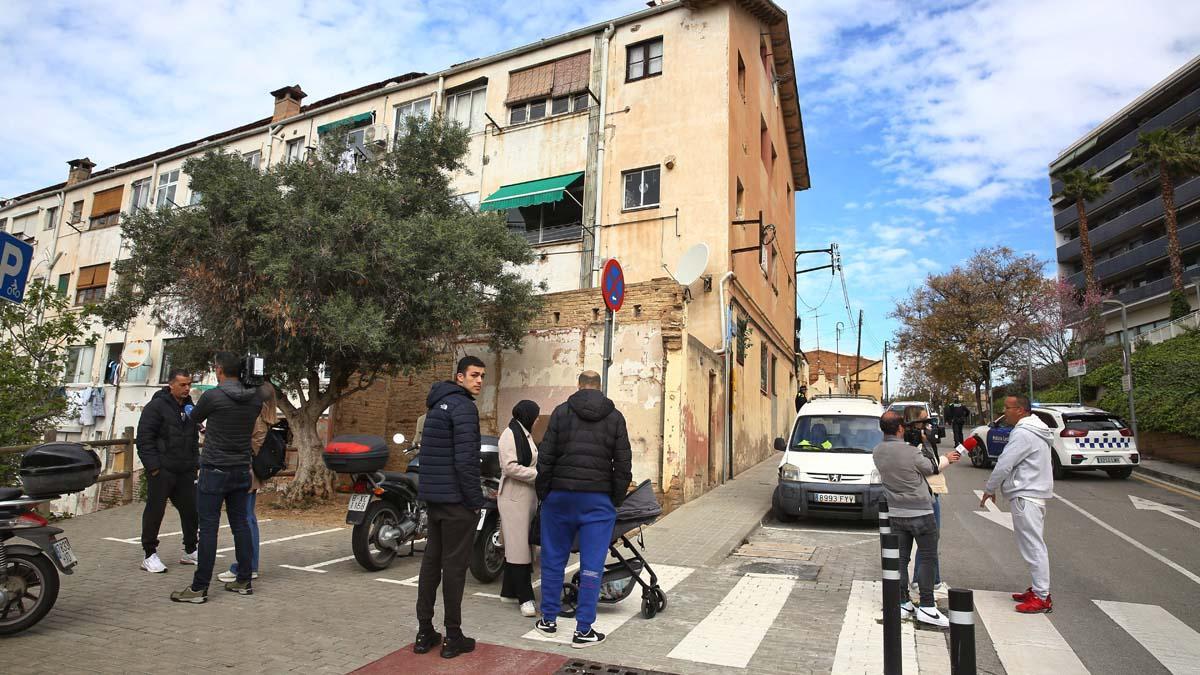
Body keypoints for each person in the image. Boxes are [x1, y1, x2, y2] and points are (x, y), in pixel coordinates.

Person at [534, 371, 633, 649]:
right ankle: (584, 630)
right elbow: (623, 464)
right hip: (597, 500)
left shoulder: (561, 412)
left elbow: (546, 457)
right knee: (592, 565)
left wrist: (545, 493)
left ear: (578, 386)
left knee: (553, 560)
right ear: (599, 388)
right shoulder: (615, 417)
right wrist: (614, 499)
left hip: (560, 497)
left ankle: (549, 620)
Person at [170, 352, 263, 604]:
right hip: (242, 468)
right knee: (241, 524)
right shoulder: (255, 398)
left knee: (209, 528)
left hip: (215, 469)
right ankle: (244, 580)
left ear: (219, 370)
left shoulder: (213, 396)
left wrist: (192, 412)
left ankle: (199, 587)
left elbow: (194, 418)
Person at [413, 356, 486, 659]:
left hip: (436, 500)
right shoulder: (464, 407)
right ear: (459, 377)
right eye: (473, 375)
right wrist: (475, 501)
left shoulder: (435, 407)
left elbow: (427, 455)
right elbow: (466, 461)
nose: (479, 380)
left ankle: (424, 632)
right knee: (454, 570)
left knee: (431, 565)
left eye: (482, 376)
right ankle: (452, 636)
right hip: (457, 502)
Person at [872, 410, 960, 628]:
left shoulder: (878, 451)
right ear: (901, 428)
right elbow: (930, 468)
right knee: (928, 557)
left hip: (896, 512)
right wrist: (938, 452)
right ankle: (928, 606)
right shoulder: (911, 452)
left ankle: (903, 602)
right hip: (920, 511)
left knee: (901, 559)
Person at [981, 395, 1055, 614]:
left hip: (1026, 494)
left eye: (1008, 408)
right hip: (1033, 492)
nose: (1004, 412)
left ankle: (1042, 596)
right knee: (1033, 544)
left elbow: (1005, 463)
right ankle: (1038, 589)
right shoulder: (1037, 429)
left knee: (1032, 546)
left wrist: (989, 488)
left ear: (1021, 410)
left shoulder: (1023, 433)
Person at [136, 370, 200, 574]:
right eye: (182, 385)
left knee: (191, 510)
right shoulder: (156, 407)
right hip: (162, 470)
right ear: (171, 385)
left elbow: (192, 437)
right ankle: (149, 554)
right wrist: (154, 467)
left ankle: (190, 550)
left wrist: (194, 464)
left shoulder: (191, 408)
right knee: (155, 511)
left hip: (185, 470)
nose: (187, 388)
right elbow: (144, 439)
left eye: (188, 384)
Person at [218, 384, 279, 583]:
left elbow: (246, 444)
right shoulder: (264, 420)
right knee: (248, 518)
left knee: (244, 520)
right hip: (250, 472)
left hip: (246, 472)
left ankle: (247, 565)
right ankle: (249, 564)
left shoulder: (257, 420)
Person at [497, 400, 540, 617]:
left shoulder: (524, 433)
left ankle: (509, 591)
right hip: (514, 497)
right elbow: (510, 466)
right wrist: (537, 475)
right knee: (518, 547)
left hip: (525, 497)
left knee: (520, 544)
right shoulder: (509, 434)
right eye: (536, 415)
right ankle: (525, 598)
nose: (538, 419)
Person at [906, 406, 948, 594]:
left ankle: (935, 579)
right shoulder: (914, 445)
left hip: (930, 492)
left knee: (932, 539)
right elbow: (931, 467)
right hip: (926, 494)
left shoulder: (925, 440)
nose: (929, 425)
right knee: (929, 539)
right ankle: (920, 580)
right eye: (925, 421)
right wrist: (947, 459)